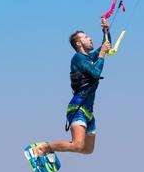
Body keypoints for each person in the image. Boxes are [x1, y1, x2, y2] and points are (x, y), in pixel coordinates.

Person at [33, 18, 112, 157]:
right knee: (78, 145)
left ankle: (47, 148)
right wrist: (103, 54)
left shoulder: (88, 58)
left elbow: (106, 46)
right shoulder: (78, 58)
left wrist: (106, 30)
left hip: (89, 111)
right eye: (86, 37)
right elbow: (96, 72)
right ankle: (44, 147)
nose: (90, 38)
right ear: (78, 43)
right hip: (78, 107)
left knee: (87, 150)